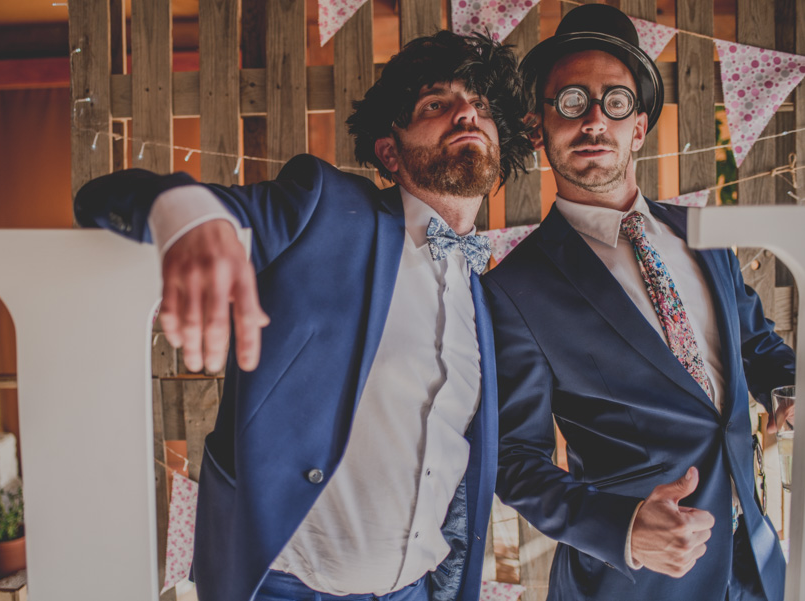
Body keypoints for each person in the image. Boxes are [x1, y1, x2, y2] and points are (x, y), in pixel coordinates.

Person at [74, 31, 532, 601]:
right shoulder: (326, 210)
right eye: (434, 103)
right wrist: (186, 215)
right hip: (284, 586)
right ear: (390, 152)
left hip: (416, 591)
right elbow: (105, 197)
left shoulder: (485, 298)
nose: (466, 113)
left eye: (480, 104)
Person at [483, 5, 795, 601]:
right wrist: (621, 530)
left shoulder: (702, 234)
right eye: (571, 101)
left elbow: (755, 344)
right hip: (634, 581)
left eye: (615, 102)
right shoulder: (515, 289)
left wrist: (790, 389)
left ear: (639, 128)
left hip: (754, 561)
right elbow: (514, 459)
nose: (593, 120)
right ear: (538, 127)